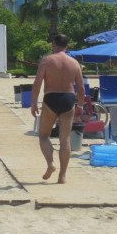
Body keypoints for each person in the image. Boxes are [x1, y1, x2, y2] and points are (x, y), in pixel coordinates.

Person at [30, 33, 85, 184]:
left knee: (44, 136)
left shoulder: (46, 61)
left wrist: (33, 103)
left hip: (51, 98)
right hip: (68, 99)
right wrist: (80, 105)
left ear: (53, 45)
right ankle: (62, 176)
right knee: (65, 139)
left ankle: (50, 163)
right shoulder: (74, 63)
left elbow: (37, 83)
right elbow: (81, 88)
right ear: (68, 46)